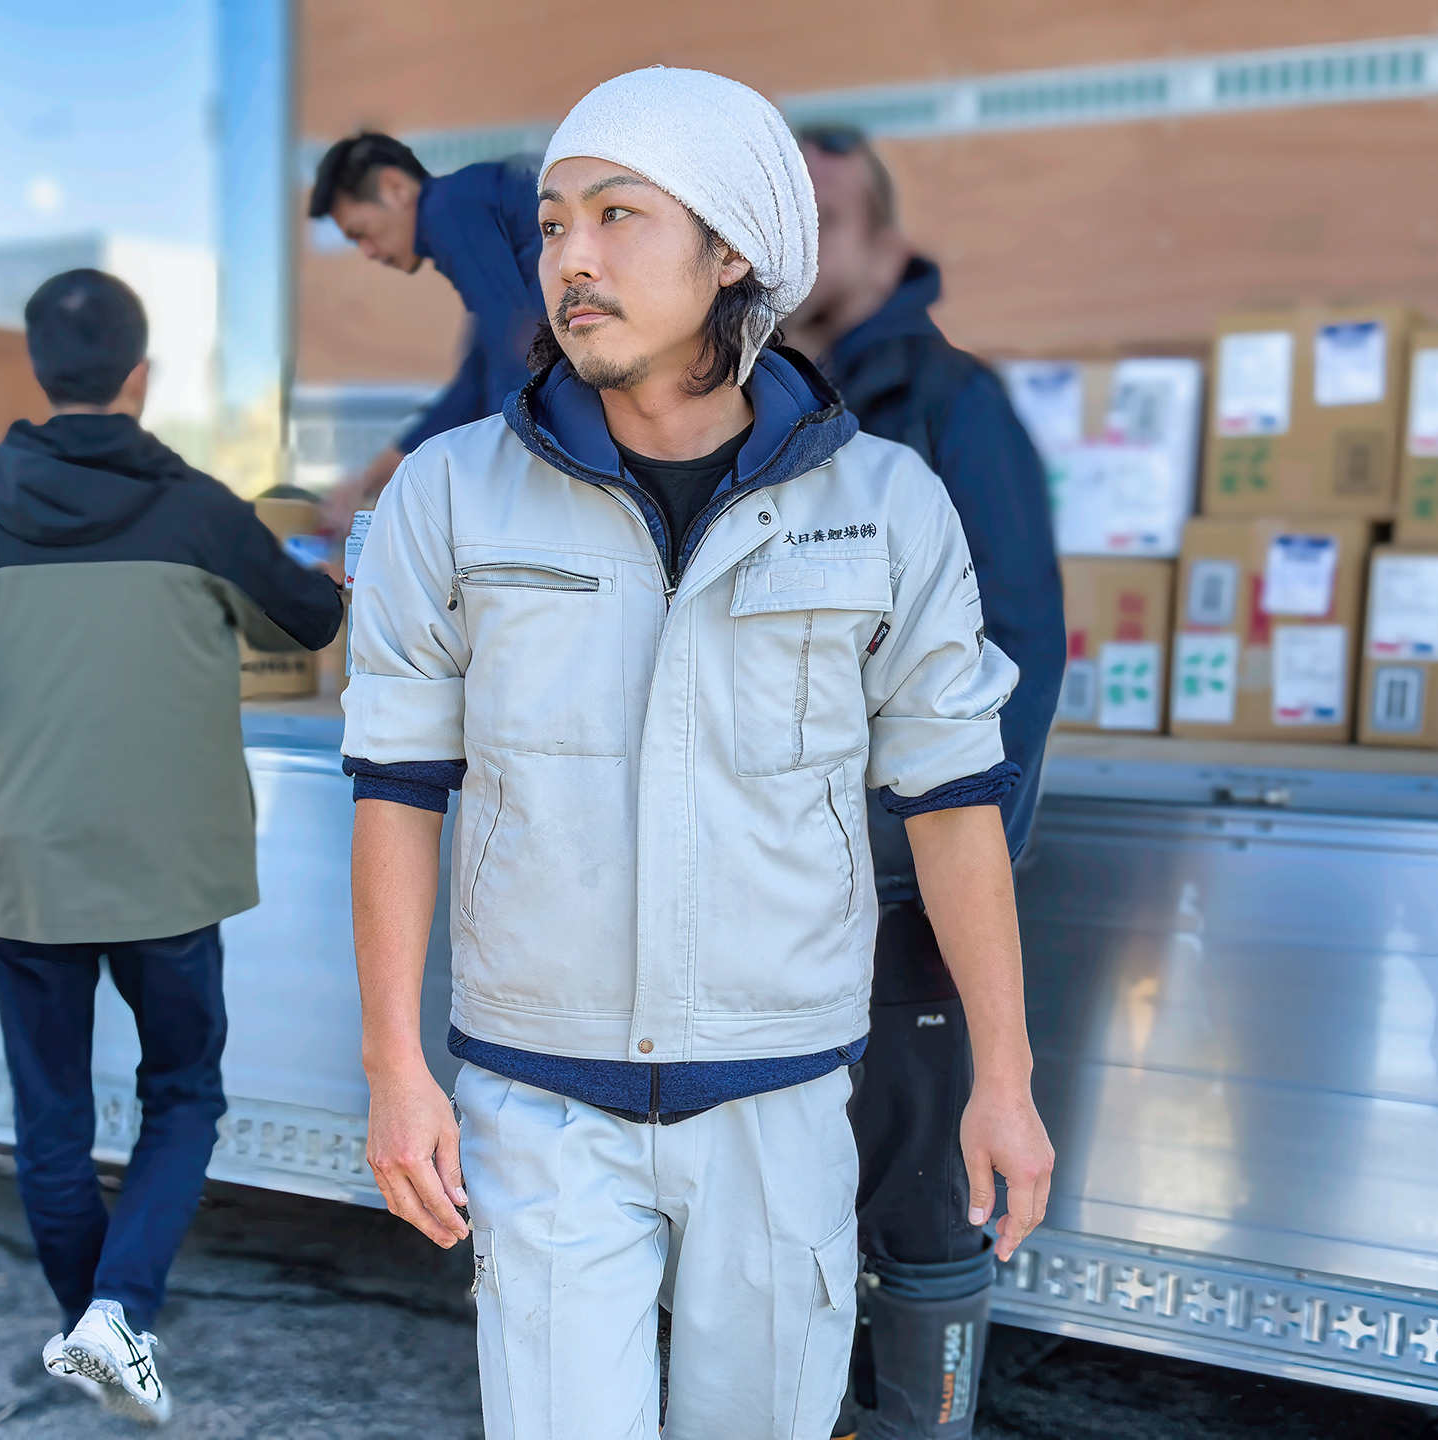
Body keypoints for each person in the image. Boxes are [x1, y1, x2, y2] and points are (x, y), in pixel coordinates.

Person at [343, 68, 1054, 1440]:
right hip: (537, 1097)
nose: (571, 259)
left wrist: (1003, 1082)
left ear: (734, 251)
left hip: (782, 1100)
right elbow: (398, 784)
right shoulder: (449, 493)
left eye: (618, 214)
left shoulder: (885, 505)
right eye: (552, 223)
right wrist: (394, 1066)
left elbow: (955, 798)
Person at [0, 270, 344, 1426]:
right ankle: (119, 1312)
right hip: (172, 870)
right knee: (183, 1092)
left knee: (52, 1120)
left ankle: (92, 1319)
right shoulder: (196, 504)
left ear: (43, 372)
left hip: (34, 860)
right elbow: (311, 620)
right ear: (141, 375)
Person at [791, 127, 1065, 1439]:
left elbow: (1017, 649)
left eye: (831, 218)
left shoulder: (952, 405)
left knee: (918, 1200)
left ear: (888, 243)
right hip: (773, 903)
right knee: (793, 1203)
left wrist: (945, 869)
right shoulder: (759, 406)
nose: (806, 244)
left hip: (904, 902)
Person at [309, 132, 547, 529]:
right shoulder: (472, 211)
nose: (367, 252)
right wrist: (371, 477)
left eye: (361, 232)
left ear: (395, 187)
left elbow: (517, 353)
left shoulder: (446, 208)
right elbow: (475, 380)